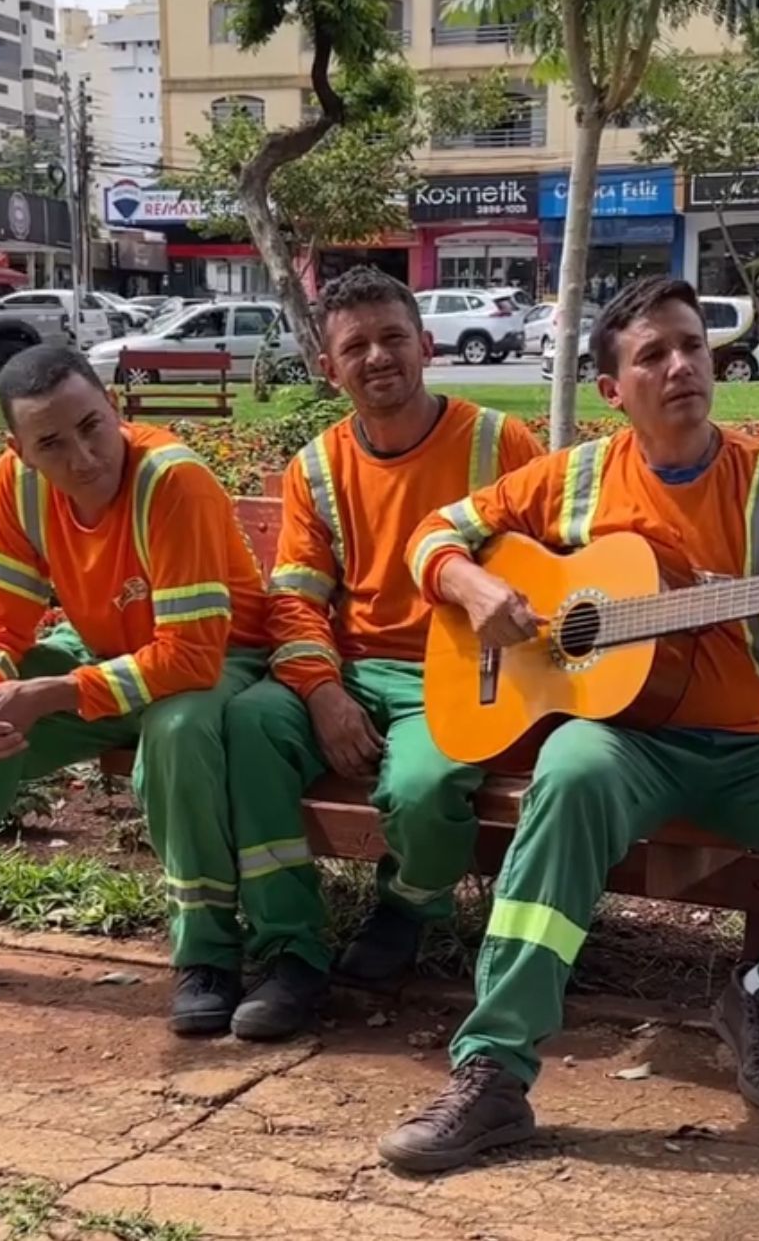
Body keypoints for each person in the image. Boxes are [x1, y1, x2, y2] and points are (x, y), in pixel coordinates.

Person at [379, 275, 759, 1173]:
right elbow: (434, 533)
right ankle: (495, 1071)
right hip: (628, 744)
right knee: (571, 766)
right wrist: (471, 583)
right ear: (613, 390)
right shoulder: (573, 477)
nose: (683, 364)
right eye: (653, 354)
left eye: (693, 344)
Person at [0, 345, 270, 1037]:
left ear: (115, 411)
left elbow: (190, 656)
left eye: (92, 426)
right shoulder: (16, 484)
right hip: (109, 657)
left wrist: (52, 693)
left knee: (177, 728)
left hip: (223, 660)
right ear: (20, 449)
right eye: (51, 442)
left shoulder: (171, 479)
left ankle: (209, 954)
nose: (83, 455)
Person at [223, 266, 542, 1040]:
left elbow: (555, 565)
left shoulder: (501, 442)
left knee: (426, 783)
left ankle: (409, 904)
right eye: (355, 345)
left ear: (426, 344)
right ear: (328, 368)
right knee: (250, 726)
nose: (377, 357)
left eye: (393, 336)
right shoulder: (318, 468)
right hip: (352, 670)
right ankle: (290, 950)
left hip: (462, 672)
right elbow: (295, 600)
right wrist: (322, 690)